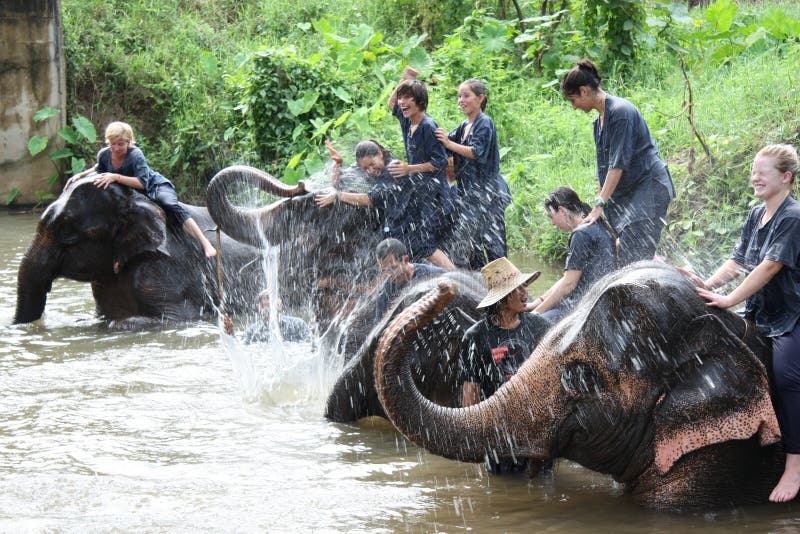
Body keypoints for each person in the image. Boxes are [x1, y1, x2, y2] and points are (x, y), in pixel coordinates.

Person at [678, 144, 800, 503]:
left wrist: (731, 299)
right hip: (761, 313)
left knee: (787, 375)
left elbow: (769, 266)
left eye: (763, 172)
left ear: (786, 178)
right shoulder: (754, 215)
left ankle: (794, 464)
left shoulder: (793, 217)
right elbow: (739, 261)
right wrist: (708, 285)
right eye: (753, 171)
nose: (754, 177)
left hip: (792, 315)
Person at [561, 60, 674, 266]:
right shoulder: (599, 123)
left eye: (573, 100)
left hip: (649, 188)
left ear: (584, 91)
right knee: (627, 256)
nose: (574, 107)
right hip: (631, 194)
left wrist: (599, 206)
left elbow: (617, 165)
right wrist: (600, 206)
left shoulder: (621, 112)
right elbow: (603, 171)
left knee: (633, 260)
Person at [65, 121, 217, 261]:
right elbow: (99, 169)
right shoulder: (104, 154)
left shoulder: (135, 155)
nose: (116, 149)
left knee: (170, 205)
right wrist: (81, 175)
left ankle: (205, 243)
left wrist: (116, 177)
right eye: (113, 144)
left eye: (121, 144)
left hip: (154, 187)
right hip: (131, 194)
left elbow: (142, 183)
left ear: (129, 142)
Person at [459, 257, 551, 473]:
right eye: (516, 288)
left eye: (524, 286)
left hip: (536, 424)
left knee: (543, 483)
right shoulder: (476, 337)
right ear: (501, 299)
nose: (524, 292)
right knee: (503, 483)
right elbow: (470, 393)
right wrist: (473, 437)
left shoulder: (539, 327)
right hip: (499, 430)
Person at [435, 78, 511, 269]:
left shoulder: (484, 123)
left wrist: (448, 143)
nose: (461, 100)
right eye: (459, 96)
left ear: (480, 98)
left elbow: (476, 152)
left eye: (466, 95)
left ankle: (509, 290)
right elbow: (444, 146)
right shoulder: (463, 126)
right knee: (472, 245)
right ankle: (480, 286)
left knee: (494, 245)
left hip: (489, 193)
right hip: (470, 196)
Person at [387, 68, 456, 270]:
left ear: (420, 102)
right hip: (419, 191)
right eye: (402, 98)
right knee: (414, 239)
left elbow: (440, 162)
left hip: (435, 194)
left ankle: (457, 279)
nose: (402, 103)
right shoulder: (408, 121)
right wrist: (405, 79)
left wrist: (409, 168)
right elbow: (391, 104)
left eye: (408, 99)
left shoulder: (428, 126)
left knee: (426, 244)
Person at [531, 187, 617, 323]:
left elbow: (569, 285)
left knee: (536, 324)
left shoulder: (581, 234)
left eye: (551, 217)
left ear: (562, 211)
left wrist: (536, 313)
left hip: (586, 305)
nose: (552, 223)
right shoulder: (597, 223)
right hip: (603, 300)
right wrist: (536, 304)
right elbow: (566, 279)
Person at [316, 140, 414, 246]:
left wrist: (337, 196)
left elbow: (371, 199)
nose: (370, 170)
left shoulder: (393, 168)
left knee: (425, 252)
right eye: (366, 168)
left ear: (380, 154)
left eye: (372, 164)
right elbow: (337, 185)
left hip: (410, 224)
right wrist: (338, 164)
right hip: (390, 224)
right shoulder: (365, 167)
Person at [374, 238, 446, 323]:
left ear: (406, 260)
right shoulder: (384, 295)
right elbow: (378, 328)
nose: (389, 275)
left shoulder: (433, 274)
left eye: (393, 268)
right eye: (384, 271)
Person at [223, 288, 311, 344]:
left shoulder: (298, 325)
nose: (266, 302)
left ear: (281, 304)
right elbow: (241, 351)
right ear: (258, 307)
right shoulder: (252, 332)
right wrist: (231, 335)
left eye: (270, 298)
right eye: (262, 300)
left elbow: (312, 347)